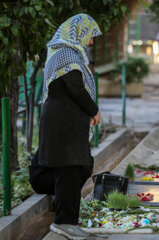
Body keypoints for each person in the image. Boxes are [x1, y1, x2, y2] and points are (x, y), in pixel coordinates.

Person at [29, 14, 102, 239]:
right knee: (71, 167)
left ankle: (62, 200)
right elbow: (75, 87)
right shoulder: (65, 54)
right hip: (63, 122)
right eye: (89, 35)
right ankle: (64, 222)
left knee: (80, 166)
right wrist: (94, 109)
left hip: (67, 121)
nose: (90, 41)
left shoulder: (70, 53)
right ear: (78, 32)